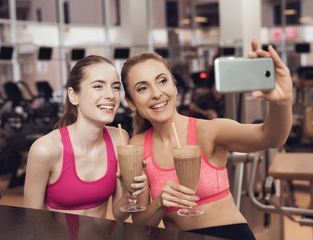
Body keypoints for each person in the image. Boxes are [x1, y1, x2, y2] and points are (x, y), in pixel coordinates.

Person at [120, 39, 292, 239]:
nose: (157, 93)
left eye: (162, 81)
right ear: (131, 102)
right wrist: (160, 202)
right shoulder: (137, 146)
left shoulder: (208, 131)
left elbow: (269, 137)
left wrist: (283, 101)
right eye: (143, 88)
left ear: (174, 86)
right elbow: (140, 225)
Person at [24, 55, 146, 221]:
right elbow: (33, 220)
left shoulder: (120, 138)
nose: (111, 95)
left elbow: (119, 215)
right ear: (73, 96)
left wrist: (128, 192)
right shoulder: (45, 149)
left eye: (115, 87)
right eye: (98, 86)